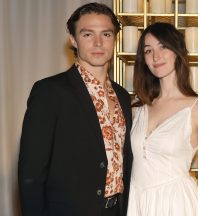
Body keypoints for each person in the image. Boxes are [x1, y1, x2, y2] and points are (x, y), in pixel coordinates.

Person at [18, 3, 133, 216]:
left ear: (114, 39)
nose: (98, 42)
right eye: (88, 34)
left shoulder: (123, 97)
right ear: (73, 39)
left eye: (106, 34)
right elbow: (31, 175)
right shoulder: (49, 92)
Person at [127, 22, 198, 216]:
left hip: (176, 205)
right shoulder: (137, 106)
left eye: (163, 47)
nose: (156, 56)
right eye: (148, 50)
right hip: (137, 203)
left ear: (177, 51)